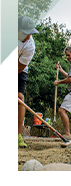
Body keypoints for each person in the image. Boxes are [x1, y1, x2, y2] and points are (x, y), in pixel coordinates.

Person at [18, 16, 39, 148]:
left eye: (31, 32)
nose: (29, 35)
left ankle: (17, 135)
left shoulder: (30, 45)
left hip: (19, 68)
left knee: (19, 97)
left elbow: (20, 68)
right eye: (26, 32)